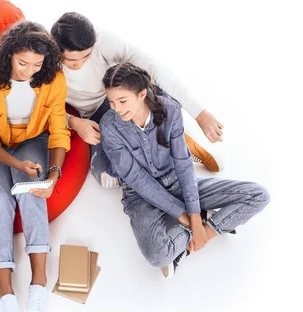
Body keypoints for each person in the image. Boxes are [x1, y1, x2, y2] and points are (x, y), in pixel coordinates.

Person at [98, 61, 269, 278]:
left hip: (176, 180)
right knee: (157, 256)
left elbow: (183, 163)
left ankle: (205, 230)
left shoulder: (170, 109)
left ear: (141, 94)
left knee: (259, 195)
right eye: (111, 102)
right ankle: (205, 225)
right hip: (139, 195)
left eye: (122, 101)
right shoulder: (109, 125)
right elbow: (136, 178)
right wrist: (186, 218)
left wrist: (200, 225)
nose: (116, 108)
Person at [0, 20, 70, 312]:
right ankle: (5, 292)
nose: (29, 71)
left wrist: (53, 175)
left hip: (31, 138)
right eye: (22, 62)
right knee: (0, 201)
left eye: (37, 64)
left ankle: (38, 281)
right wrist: (16, 165)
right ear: (9, 54)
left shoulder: (53, 79)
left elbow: (58, 131)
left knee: (31, 190)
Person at [50, 13, 224, 188]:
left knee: (156, 92)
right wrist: (74, 122)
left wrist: (199, 113)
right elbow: (43, 107)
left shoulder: (102, 40)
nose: (79, 65)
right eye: (71, 60)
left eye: (85, 57)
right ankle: (162, 143)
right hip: (95, 114)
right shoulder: (43, 62)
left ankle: (175, 140)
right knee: (107, 178)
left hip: (120, 95)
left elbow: (151, 66)